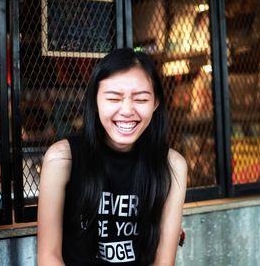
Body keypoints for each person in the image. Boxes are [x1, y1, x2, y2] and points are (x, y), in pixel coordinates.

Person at [37, 48, 187, 266]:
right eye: (114, 98)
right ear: (95, 102)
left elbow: (163, 262)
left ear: (155, 103)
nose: (127, 110)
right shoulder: (62, 159)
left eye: (141, 99)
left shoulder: (172, 166)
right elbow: (48, 256)